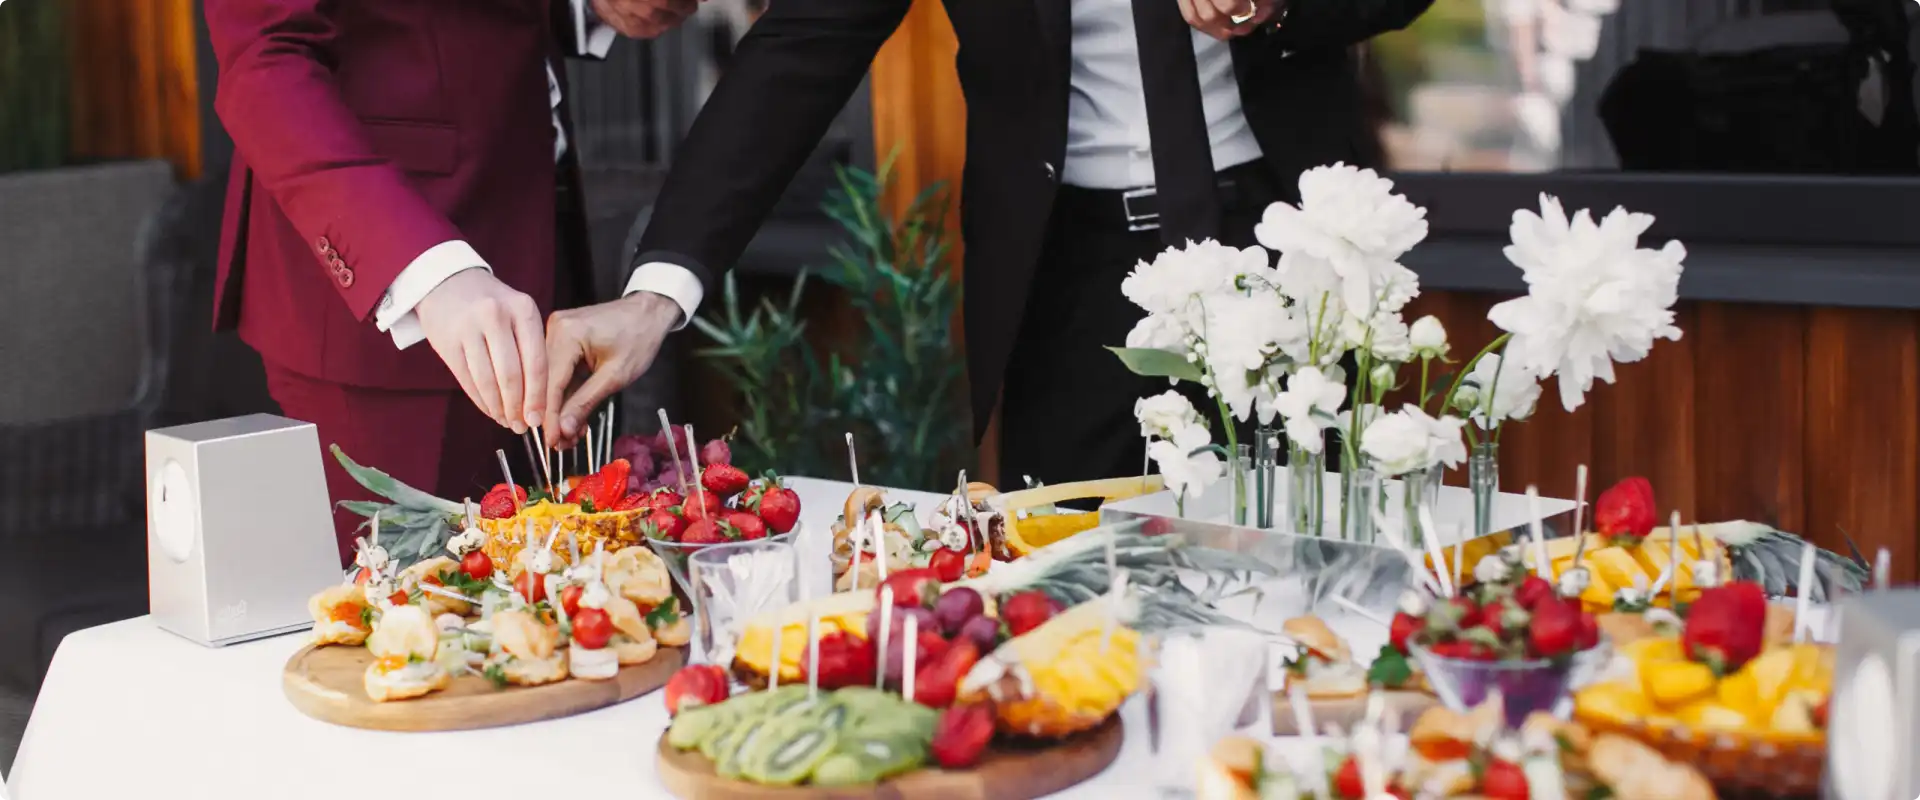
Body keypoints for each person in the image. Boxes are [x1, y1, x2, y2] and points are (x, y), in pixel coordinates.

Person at [540, 0, 1432, 485]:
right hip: (1070, 274)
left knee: (1315, 555)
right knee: (1080, 592)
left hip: (1284, 237)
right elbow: (804, 42)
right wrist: (656, 293)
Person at [205, 0, 696, 562]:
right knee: (401, 600)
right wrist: (422, 265)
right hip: (397, 294)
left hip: (542, 255)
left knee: (550, 587)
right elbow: (264, 56)